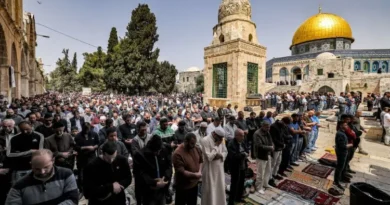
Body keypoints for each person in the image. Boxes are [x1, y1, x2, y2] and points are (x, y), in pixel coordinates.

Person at [6, 149, 79, 204]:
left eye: (46, 167)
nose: (42, 172)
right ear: (31, 164)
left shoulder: (66, 174)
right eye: (37, 169)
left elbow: (73, 199)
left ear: (53, 161)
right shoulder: (19, 185)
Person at [133, 135, 172, 205]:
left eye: (159, 151)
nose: (158, 153)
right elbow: (140, 174)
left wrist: (165, 178)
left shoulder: (164, 149)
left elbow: (169, 166)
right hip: (148, 190)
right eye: (156, 151)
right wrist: (154, 182)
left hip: (162, 188)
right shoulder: (140, 155)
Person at [172, 133, 203, 205]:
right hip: (183, 186)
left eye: (194, 143)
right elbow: (181, 172)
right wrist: (196, 175)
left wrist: (199, 172)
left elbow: (201, 161)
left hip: (194, 184)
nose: (193, 146)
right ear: (185, 141)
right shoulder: (177, 153)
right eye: (192, 143)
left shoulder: (196, 148)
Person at [200, 127, 227, 205]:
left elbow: (225, 151)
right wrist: (216, 147)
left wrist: (220, 155)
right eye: (220, 138)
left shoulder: (220, 139)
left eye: (222, 138)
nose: (221, 140)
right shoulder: (205, 140)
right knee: (210, 190)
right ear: (214, 134)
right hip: (209, 170)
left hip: (219, 169)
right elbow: (209, 157)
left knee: (220, 188)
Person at [74, 122, 100, 195]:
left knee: (93, 173)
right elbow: (76, 147)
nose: (87, 131)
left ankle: (93, 188)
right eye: (85, 129)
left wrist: (94, 147)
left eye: (88, 129)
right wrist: (85, 147)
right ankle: (82, 190)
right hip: (81, 157)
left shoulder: (94, 134)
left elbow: (98, 143)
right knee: (82, 175)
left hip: (92, 156)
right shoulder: (78, 136)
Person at [269, 117, 292, 186]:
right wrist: (282, 144)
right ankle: (270, 178)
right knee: (273, 163)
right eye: (286, 124)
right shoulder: (274, 127)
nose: (286, 126)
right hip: (275, 148)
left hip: (280, 148)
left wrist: (287, 138)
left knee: (278, 162)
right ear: (282, 121)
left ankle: (275, 174)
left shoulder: (281, 126)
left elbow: (282, 136)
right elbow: (274, 139)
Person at [227, 129, 248, 205]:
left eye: (243, 135)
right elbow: (233, 156)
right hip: (235, 167)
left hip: (242, 165)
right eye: (241, 135)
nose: (243, 137)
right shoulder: (231, 144)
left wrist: (245, 154)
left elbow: (246, 150)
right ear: (236, 136)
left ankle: (238, 198)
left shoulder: (242, 142)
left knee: (241, 183)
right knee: (234, 184)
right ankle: (231, 202)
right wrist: (242, 154)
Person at [253, 121, 274, 194]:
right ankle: (259, 187)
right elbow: (259, 146)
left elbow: (270, 140)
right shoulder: (257, 134)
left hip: (267, 154)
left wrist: (272, 146)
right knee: (260, 173)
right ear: (262, 126)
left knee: (268, 170)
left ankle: (265, 184)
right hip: (261, 155)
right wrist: (270, 148)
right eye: (267, 127)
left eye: (269, 127)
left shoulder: (267, 132)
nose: (268, 128)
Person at [334, 122, 353, 191]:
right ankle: (336, 181)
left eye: (346, 124)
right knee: (340, 167)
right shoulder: (340, 134)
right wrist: (350, 145)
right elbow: (342, 146)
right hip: (341, 152)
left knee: (342, 166)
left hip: (343, 152)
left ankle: (340, 178)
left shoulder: (343, 132)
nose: (347, 126)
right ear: (341, 126)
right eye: (345, 125)